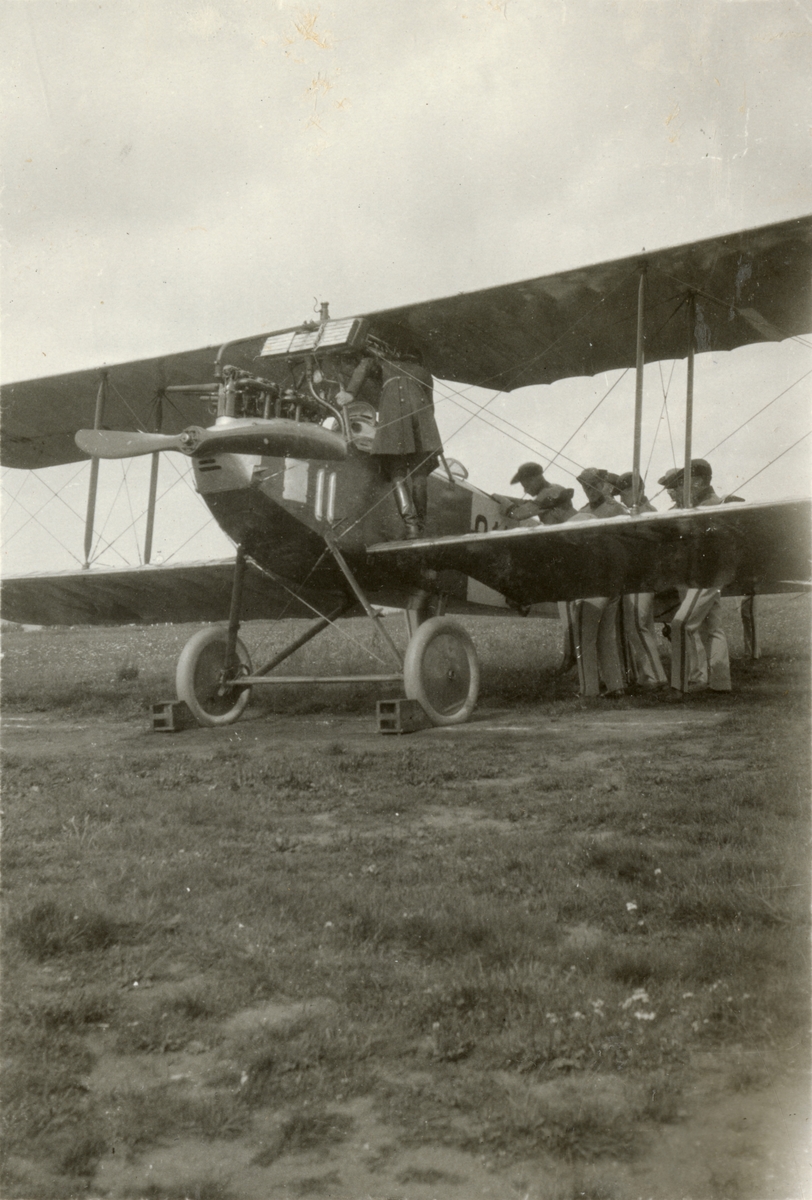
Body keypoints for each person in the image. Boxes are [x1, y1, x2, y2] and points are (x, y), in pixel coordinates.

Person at [338, 349, 442, 539]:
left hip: (394, 421)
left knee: (397, 473)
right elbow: (431, 406)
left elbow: (367, 363)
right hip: (423, 424)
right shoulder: (425, 374)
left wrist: (351, 393)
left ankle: (411, 526)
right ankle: (421, 525)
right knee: (419, 475)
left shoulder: (387, 365)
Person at [658, 459, 731, 694]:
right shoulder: (707, 504)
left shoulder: (711, 505)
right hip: (706, 574)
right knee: (712, 627)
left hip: (703, 575)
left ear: (698, 481)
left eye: (687, 480)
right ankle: (720, 685)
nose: (683, 486)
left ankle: (680, 686)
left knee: (680, 624)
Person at [507, 462, 578, 672]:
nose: (525, 488)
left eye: (526, 483)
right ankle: (571, 656)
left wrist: (506, 505)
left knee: (572, 609)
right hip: (567, 551)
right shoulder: (548, 493)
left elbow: (519, 515)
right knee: (567, 608)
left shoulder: (552, 492)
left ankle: (572, 658)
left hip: (573, 550)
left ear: (536, 477)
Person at [567, 468, 628, 698]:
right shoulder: (612, 509)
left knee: (585, 638)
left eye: (593, 486)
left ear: (604, 484)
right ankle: (616, 687)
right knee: (605, 638)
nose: (589, 491)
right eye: (585, 487)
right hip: (610, 583)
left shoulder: (614, 510)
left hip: (595, 582)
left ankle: (588, 691)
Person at [609, 472, 668, 689]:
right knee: (642, 626)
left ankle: (656, 677)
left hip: (640, 577)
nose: (621, 499)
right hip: (638, 577)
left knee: (636, 625)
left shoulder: (646, 513)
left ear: (635, 491)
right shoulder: (641, 512)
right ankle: (647, 674)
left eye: (623, 493)